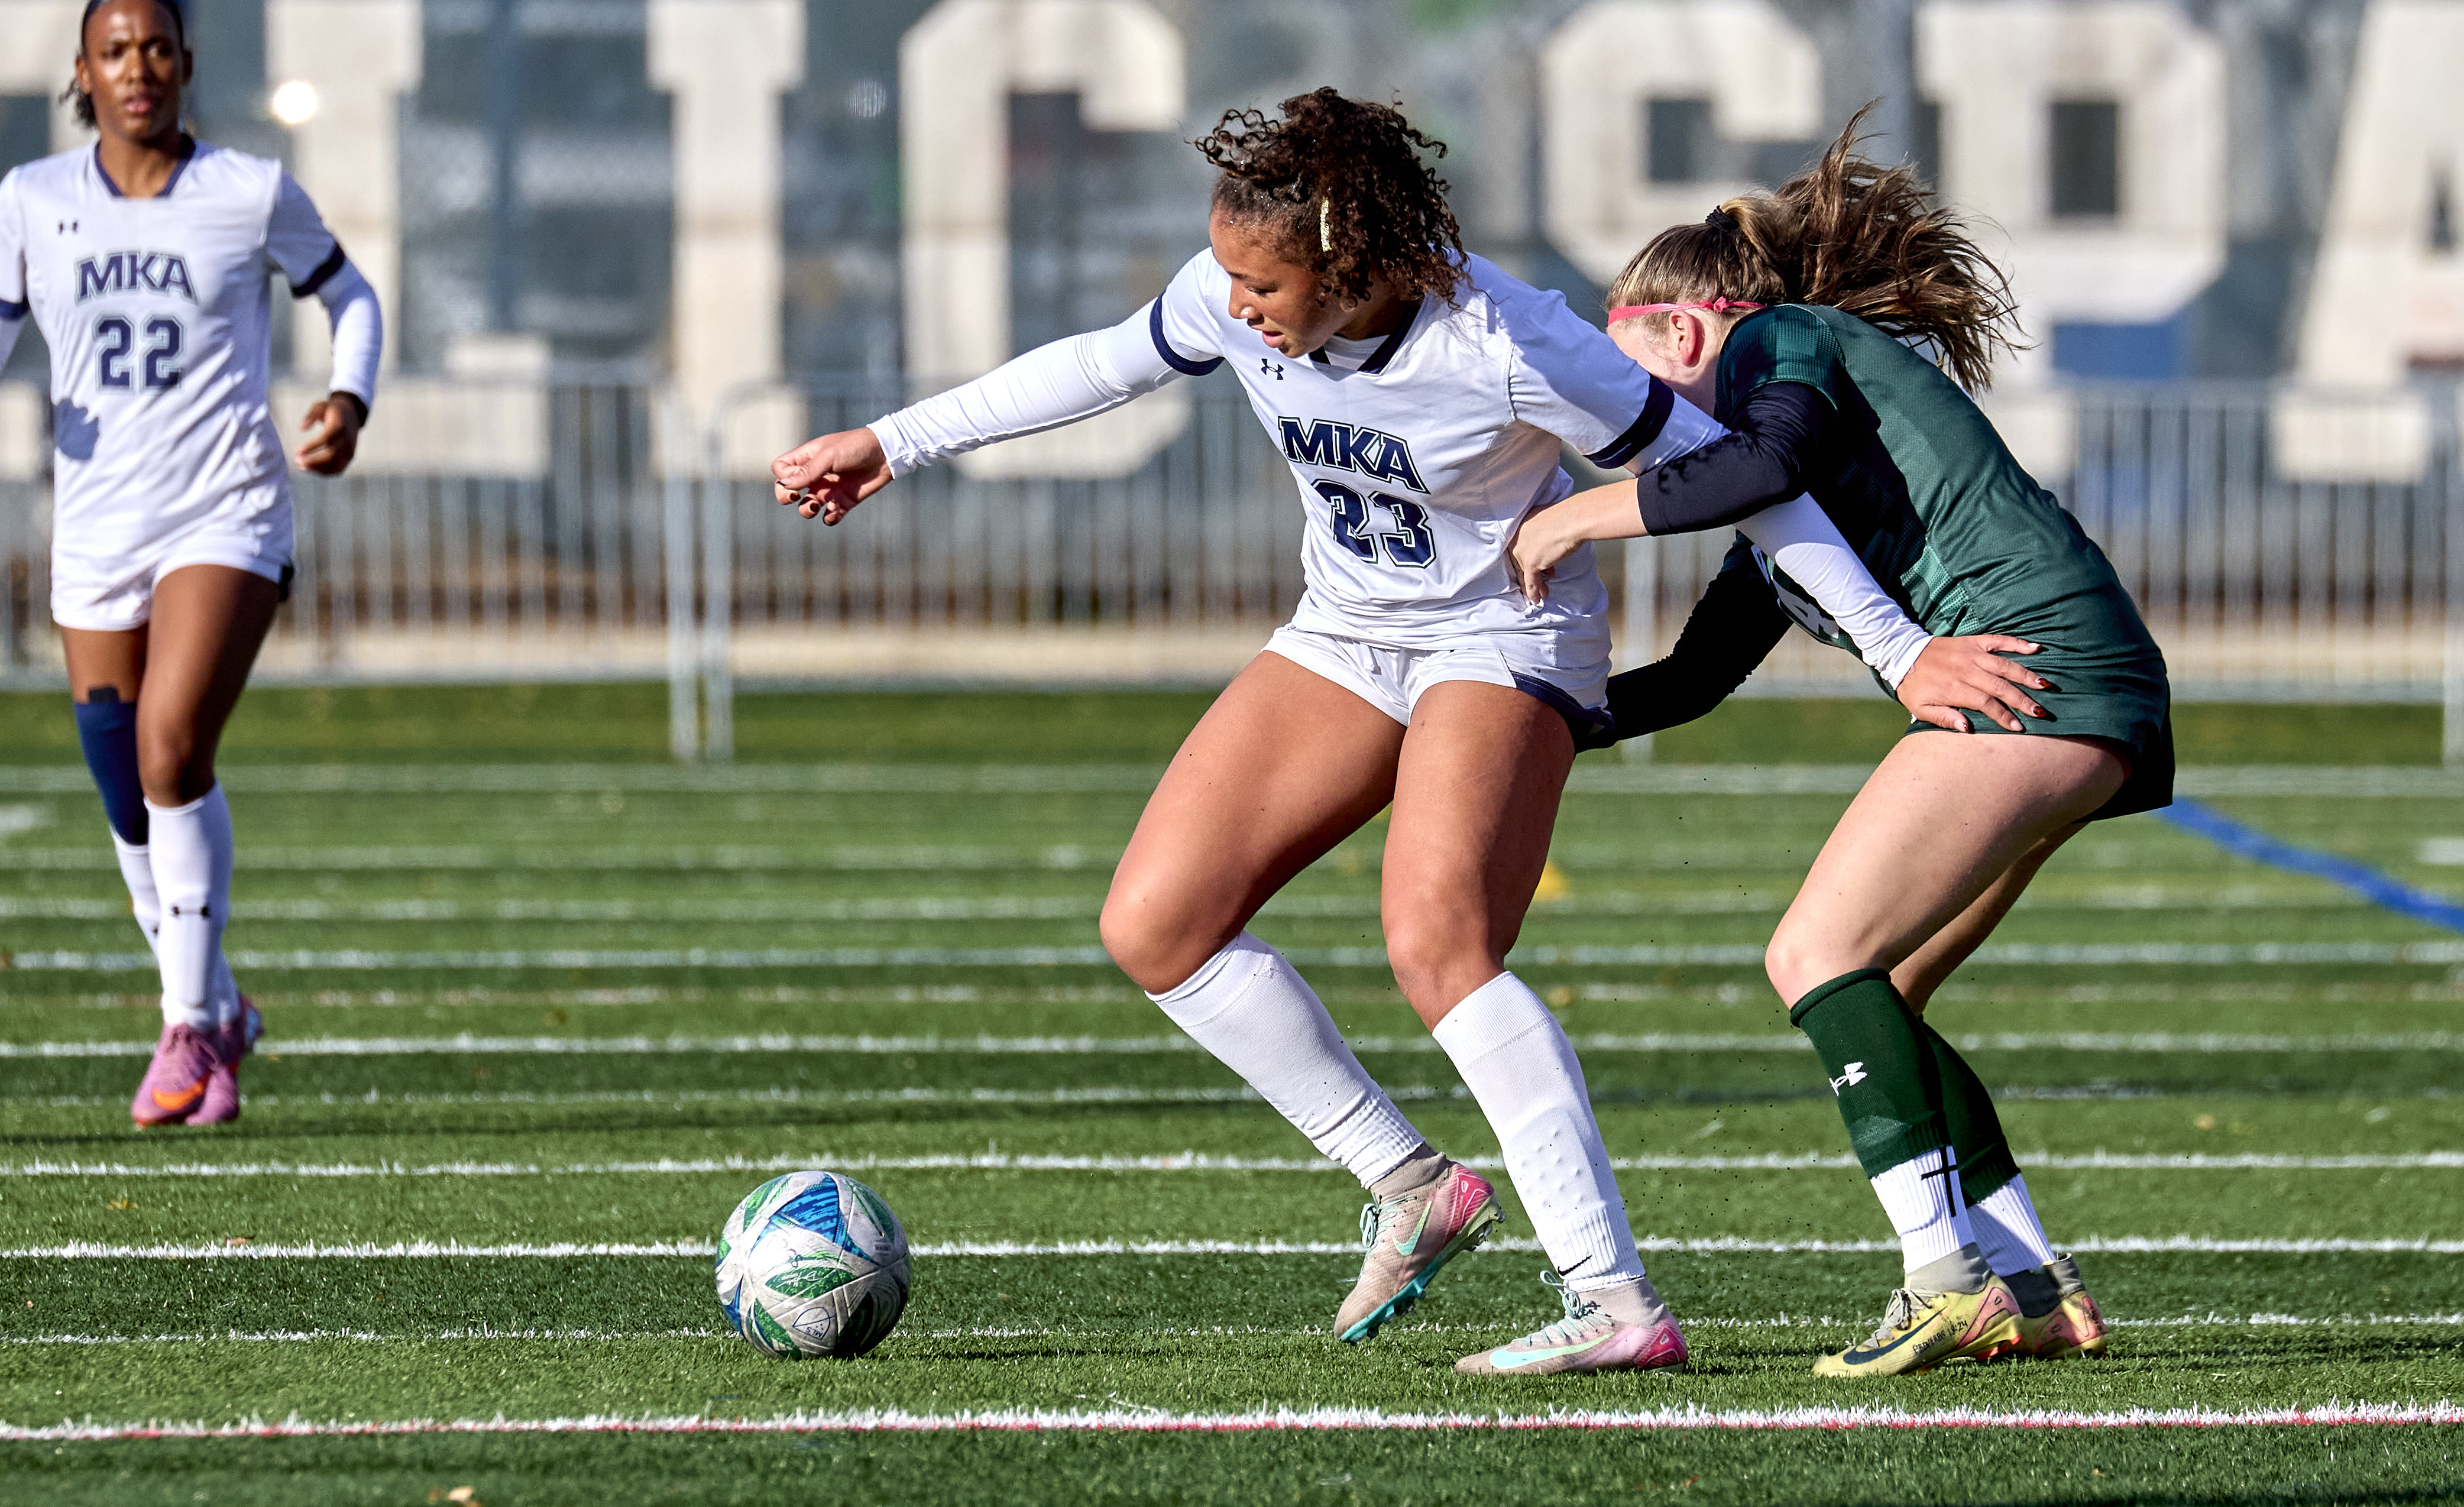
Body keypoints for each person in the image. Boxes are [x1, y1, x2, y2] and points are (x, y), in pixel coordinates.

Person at [772, 89, 2043, 1374]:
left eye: (1261, 282)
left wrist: (1897, 648)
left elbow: (1743, 484)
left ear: (1354, 263)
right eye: (1225, 273)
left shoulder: (1508, 339)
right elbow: (1102, 360)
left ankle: (1612, 1302)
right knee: (1155, 924)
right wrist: (892, 439)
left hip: (1503, 636)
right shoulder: (1230, 293)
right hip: (1345, 630)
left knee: (1436, 938)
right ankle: (1408, 1183)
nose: (1235, 302)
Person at [1507, 114, 2168, 1376]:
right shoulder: (1785, 487)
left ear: (1689, 326)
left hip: (2039, 674)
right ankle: (2027, 1280)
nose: (1617, 401)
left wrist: (1578, 518)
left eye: (1626, 359)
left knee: (1811, 952)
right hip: (2074, 684)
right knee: (1887, 986)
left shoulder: (1781, 347)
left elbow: (1757, 464)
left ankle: (1943, 1279)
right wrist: (1539, 725)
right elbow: (1696, 677)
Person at [0, 0, 381, 1127]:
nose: (137, 67)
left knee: (171, 750)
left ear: (185, 63)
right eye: (114, 50)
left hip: (226, 511)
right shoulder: (30, 199)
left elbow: (350, 294)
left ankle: (180, 1025)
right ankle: (218, 1007)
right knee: (125, 785)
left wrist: (348, 402)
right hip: (98, 523)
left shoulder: (247, 191)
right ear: (83, 74)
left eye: (157, 47)